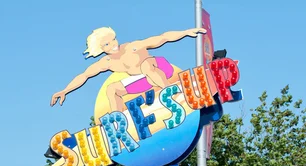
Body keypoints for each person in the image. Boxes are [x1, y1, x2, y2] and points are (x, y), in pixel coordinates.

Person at [50, 27, 206, 112]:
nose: (113, 45)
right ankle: (118, 122)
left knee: (146, 66)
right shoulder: (108, 62)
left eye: (113, 40)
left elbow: (163, 38)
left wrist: (185, 33)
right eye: (107, 45)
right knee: (112, 89)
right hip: (144, 80)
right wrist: (65, 91)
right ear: (99, 49)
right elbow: (84, 75)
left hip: (160, 68)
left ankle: (170, 95)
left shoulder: (132, 47)